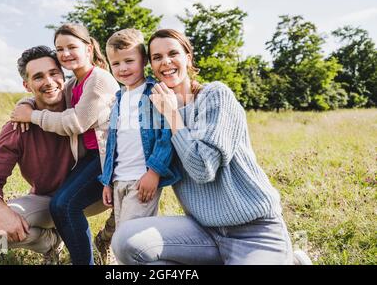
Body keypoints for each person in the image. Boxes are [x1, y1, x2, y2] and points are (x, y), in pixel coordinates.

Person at [111, 29, 300, 265]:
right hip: (202, 231)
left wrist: (172, 114)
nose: (166, 62)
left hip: (253, 231)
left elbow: (202, 169)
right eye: (157, 57)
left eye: (173, 53)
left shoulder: (215, 96)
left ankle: (290, 260)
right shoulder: (155, 110)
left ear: (188, 57)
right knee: (125, 241)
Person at [0, 46, 105, 264]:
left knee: (130, 180)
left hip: (95, 196)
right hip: (48, 200)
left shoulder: (81, 109)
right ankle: (52, 242)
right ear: (26, 85)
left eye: (54, 73)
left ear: (63, 75)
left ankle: (108, 238)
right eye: (38, 77)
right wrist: (1, 211)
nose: (49, 81)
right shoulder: (18, 128)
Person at [10, 24, 119, 265]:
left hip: (111, 156)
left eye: (72, 47)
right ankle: (75, 249)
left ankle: (95, 250)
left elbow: (76, 123)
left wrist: (32, 117)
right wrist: (27, 103)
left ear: (88, 48)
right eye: (60, 49)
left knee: (65, 205)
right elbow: (48, 97)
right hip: (91, 157)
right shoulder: (73, 84)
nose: (65, 53)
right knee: (62, 204)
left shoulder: (99, 80)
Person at [98, 29, 181, 233]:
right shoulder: (118, 98)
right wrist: (107, 181)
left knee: (131, 236)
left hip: (142, 179)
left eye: (129, 61)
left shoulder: (154, 93)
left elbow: (166, 136)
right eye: (116, 64)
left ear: (143, 60)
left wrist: (154, 172)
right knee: (121, 234)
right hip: (119, 178)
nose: (123, 68)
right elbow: (112, 144)